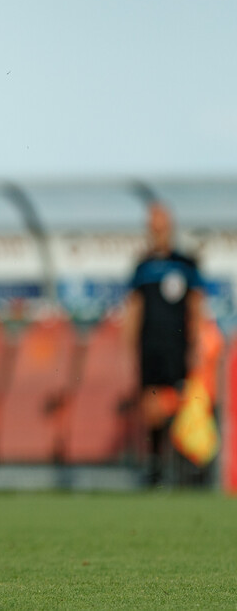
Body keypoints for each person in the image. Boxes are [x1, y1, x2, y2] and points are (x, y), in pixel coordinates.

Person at [124, 201, 207, 486]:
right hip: (150, 345)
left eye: (161, 226)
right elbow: (134, 308)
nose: (157, 231)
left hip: (178, 344)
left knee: (182, 401)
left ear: (169, 227)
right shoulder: (142, 266)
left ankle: (183, 464)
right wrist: (129, 345)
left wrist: (197, 344)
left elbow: (196, 306)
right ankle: (156, 465)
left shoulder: (185, 263)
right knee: (151, 405)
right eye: (152, 226)